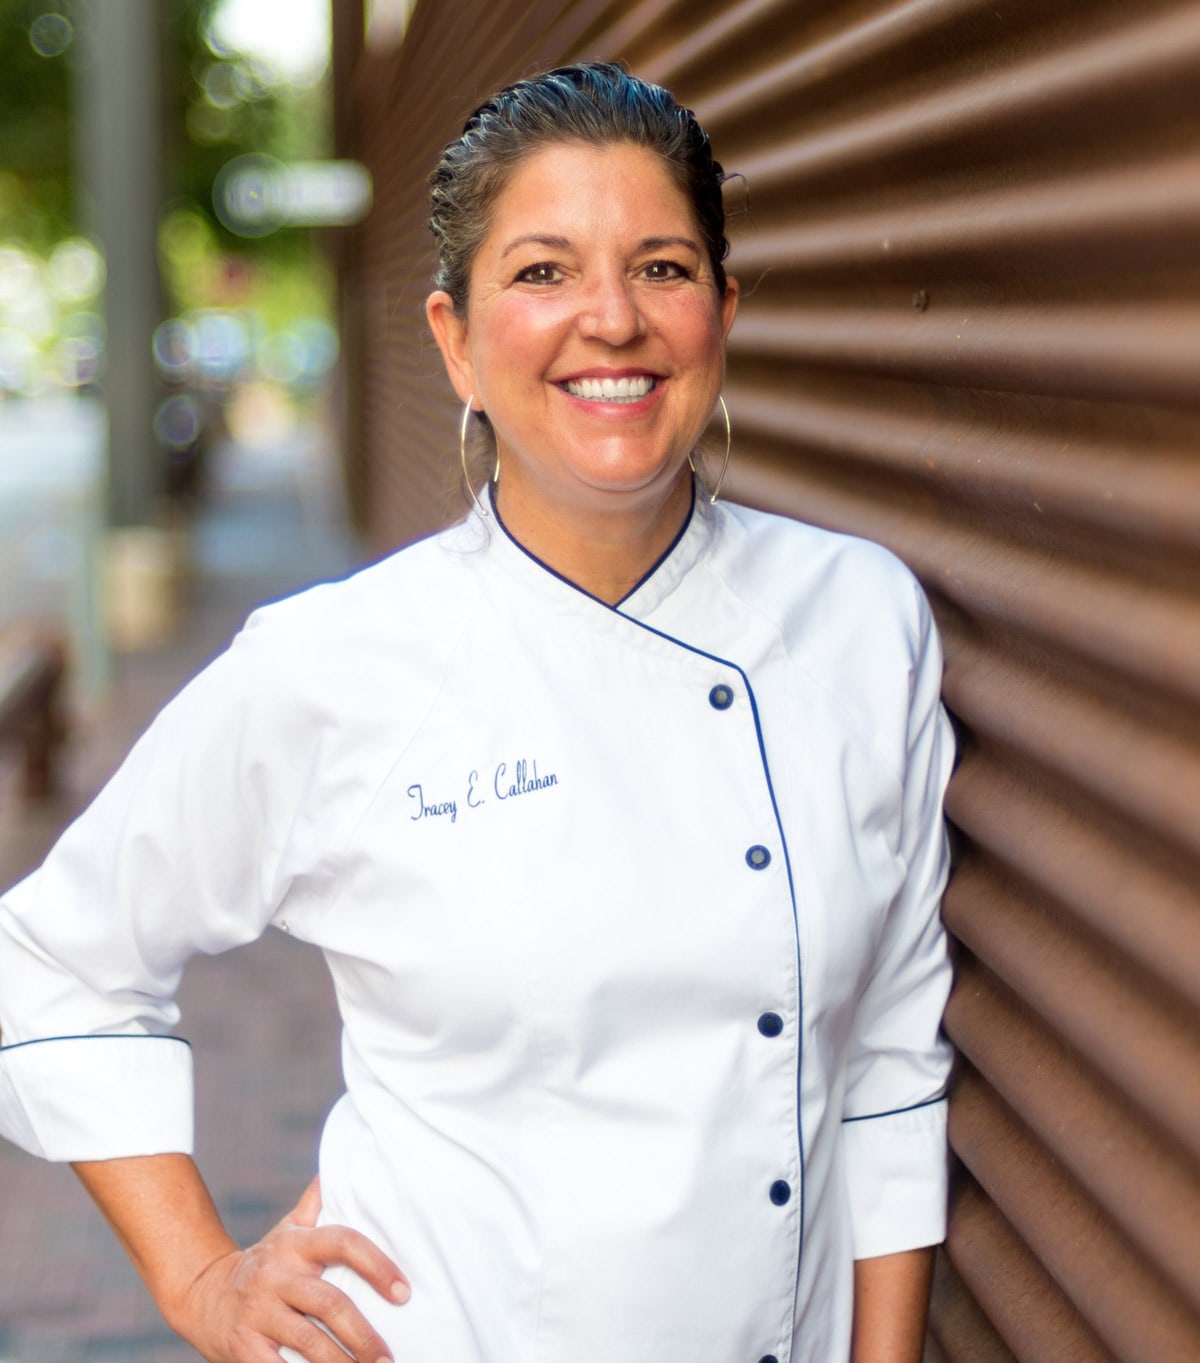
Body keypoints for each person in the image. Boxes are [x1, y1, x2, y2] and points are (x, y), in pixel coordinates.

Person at [0, 62, 954, 1363]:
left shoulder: (859, 618)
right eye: (544, 272)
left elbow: (891, 1061)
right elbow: (53, 964)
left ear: (723, 314)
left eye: (663, 268)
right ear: (454, 341)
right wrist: (203, 1279)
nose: (611, 319)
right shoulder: (338, 663)